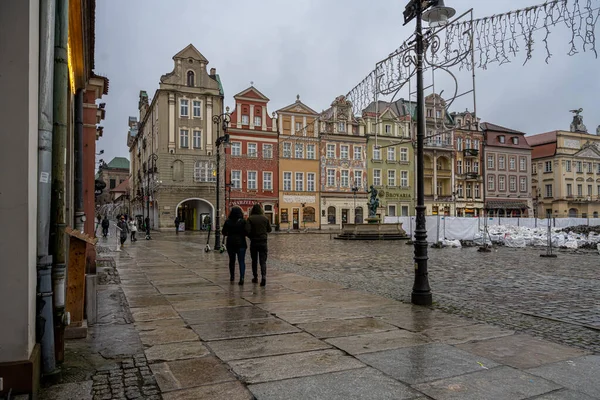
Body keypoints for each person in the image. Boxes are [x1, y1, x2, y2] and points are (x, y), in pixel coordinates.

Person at [221, 206, 250, 285]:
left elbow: (223, 232)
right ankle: (242, 277)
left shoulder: (228, 221)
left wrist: (229, 234)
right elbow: (247, 232)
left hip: (230, 243)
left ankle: (232, 276)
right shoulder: (243, 221)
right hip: (241, 243)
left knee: (232, 261)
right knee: (241, 261)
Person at [248, 203, 272, 287]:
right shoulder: (265, 218)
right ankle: (264, 277)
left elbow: (247, 231)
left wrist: (251, 236)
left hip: (254, 242)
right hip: (263, 242)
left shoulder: (250, 218)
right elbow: (269, 229)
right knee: (263, 261)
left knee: (254, 261)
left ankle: (255, 277)